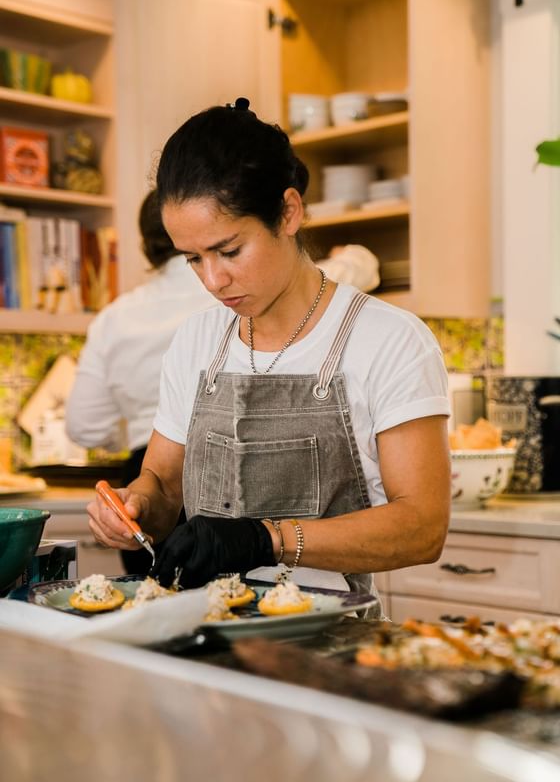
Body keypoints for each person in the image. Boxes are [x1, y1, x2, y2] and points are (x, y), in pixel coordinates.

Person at [86, 98, 451, 616]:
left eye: (229, 251)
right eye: (193, 259)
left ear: (288, 212)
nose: (213, 280)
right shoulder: (196, 342)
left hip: (331, 647)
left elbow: (422, 528)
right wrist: (134, 507)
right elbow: (164, 486)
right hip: (200, 635)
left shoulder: (388, 340)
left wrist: (265, 540)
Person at [66, 190, 215, 571]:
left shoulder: (114, 319)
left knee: (153, 611)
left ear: (146, 245)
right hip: (211, 472)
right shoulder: (234, 292)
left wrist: (135, 432)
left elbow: (83, 426)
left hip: (140, 475)